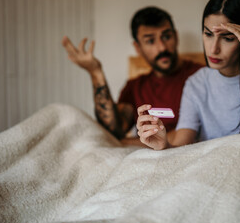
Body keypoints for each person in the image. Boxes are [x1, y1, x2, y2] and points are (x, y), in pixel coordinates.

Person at [136, 0, 240, 151]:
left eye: (227, 38)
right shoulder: (196, 82)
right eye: (208, 34)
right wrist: (164, 145)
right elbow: (182, 144)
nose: (213, 49)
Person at [62, 7, 203, 144]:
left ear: (176, 36)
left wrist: (127, 143)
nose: (162, 47)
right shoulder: (135, 87)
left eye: (166, 36)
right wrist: (96, 73)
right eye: (150, 41)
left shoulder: (201, 75)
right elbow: (114, 130)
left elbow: (190, 134)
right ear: (137, 48)